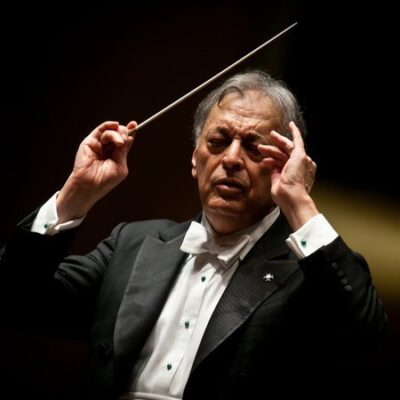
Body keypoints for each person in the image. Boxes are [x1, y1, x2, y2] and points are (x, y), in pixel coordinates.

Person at [0, 70, 387, 399]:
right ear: (194, 158)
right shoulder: (132, 245)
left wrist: (299, 202)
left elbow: (364, 331)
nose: (231, 159)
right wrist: (76, 193)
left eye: (254, 148)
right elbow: (15, 300)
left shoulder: (309, 271)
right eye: (217, 143)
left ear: (285, 164)